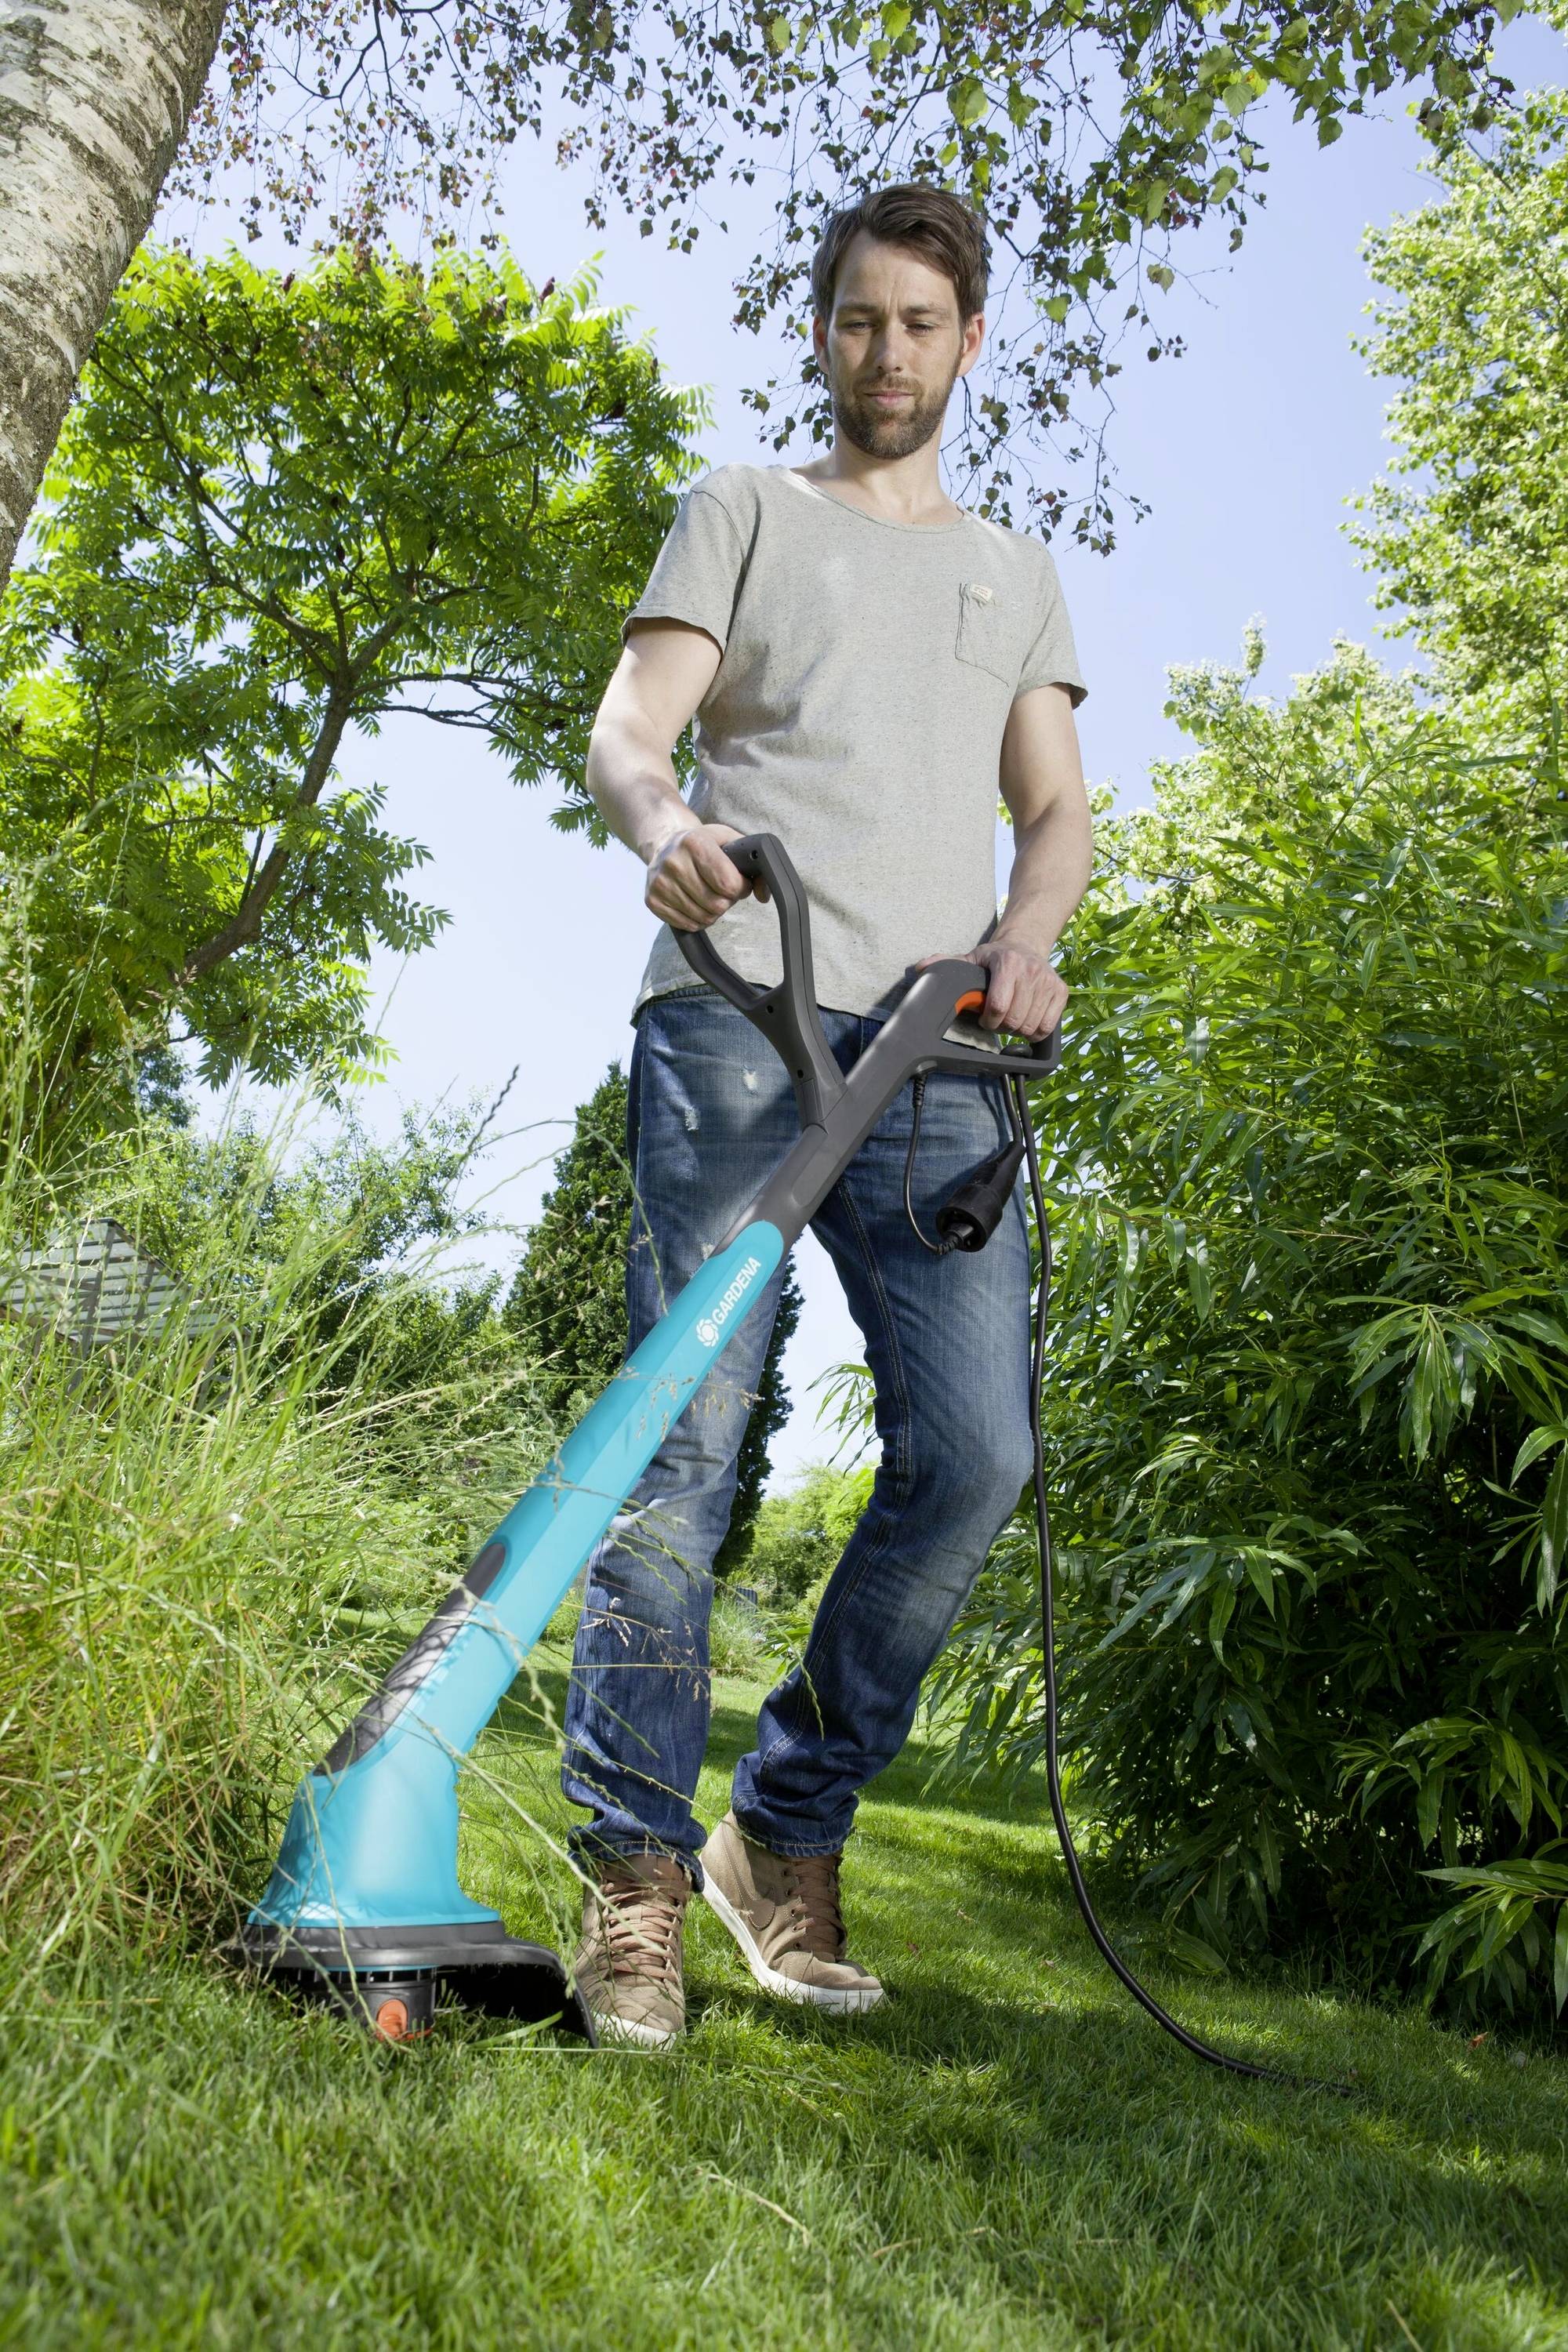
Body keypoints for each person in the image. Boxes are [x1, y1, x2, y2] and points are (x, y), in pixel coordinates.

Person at [562, 182, 1093, 2045]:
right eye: (859, 321)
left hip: (932, 1056)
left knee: (977, 1456)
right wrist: (666, 832)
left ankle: (776, 1829)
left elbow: (1056, 814)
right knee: (681, 1457)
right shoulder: (744, 508)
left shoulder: (1011, 572)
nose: (887, 354)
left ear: (967, 342)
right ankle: (633, 1885)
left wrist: (1024, 943)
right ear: (824, 331)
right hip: (737, 1020)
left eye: (920, 326)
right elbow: (637, 728)